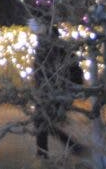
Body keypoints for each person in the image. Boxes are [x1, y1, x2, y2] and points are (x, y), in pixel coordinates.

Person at [29, 15, 79, 160]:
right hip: (47, 91)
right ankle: (46, 152)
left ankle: (45, 152)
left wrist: (66, 89)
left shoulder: (56, 46)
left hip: (56, 91)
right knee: (42, 120)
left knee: (42, 120)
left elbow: (73, 70)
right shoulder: (44, 45)